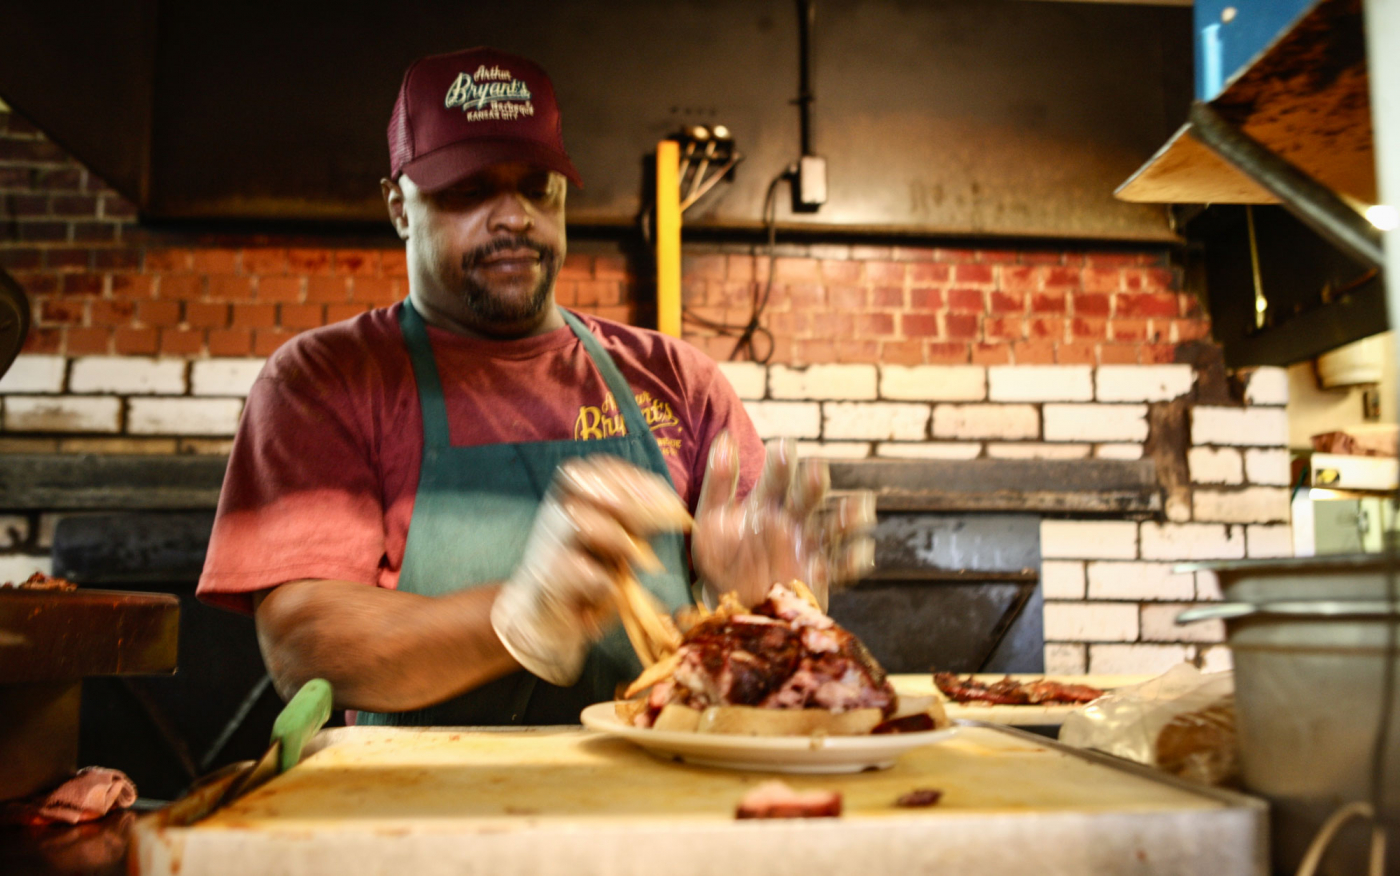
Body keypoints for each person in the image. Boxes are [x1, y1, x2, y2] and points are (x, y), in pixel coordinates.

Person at [196, 47, 874, 726]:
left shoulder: (676, 379)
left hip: (660, 791)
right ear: (398, 207)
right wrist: (517, 618)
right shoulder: (325, 379)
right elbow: (303, 642)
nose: (514, 217)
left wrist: (760, 612)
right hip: (421, 808)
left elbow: (758, 630)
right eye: (469, 189)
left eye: (536, 186)